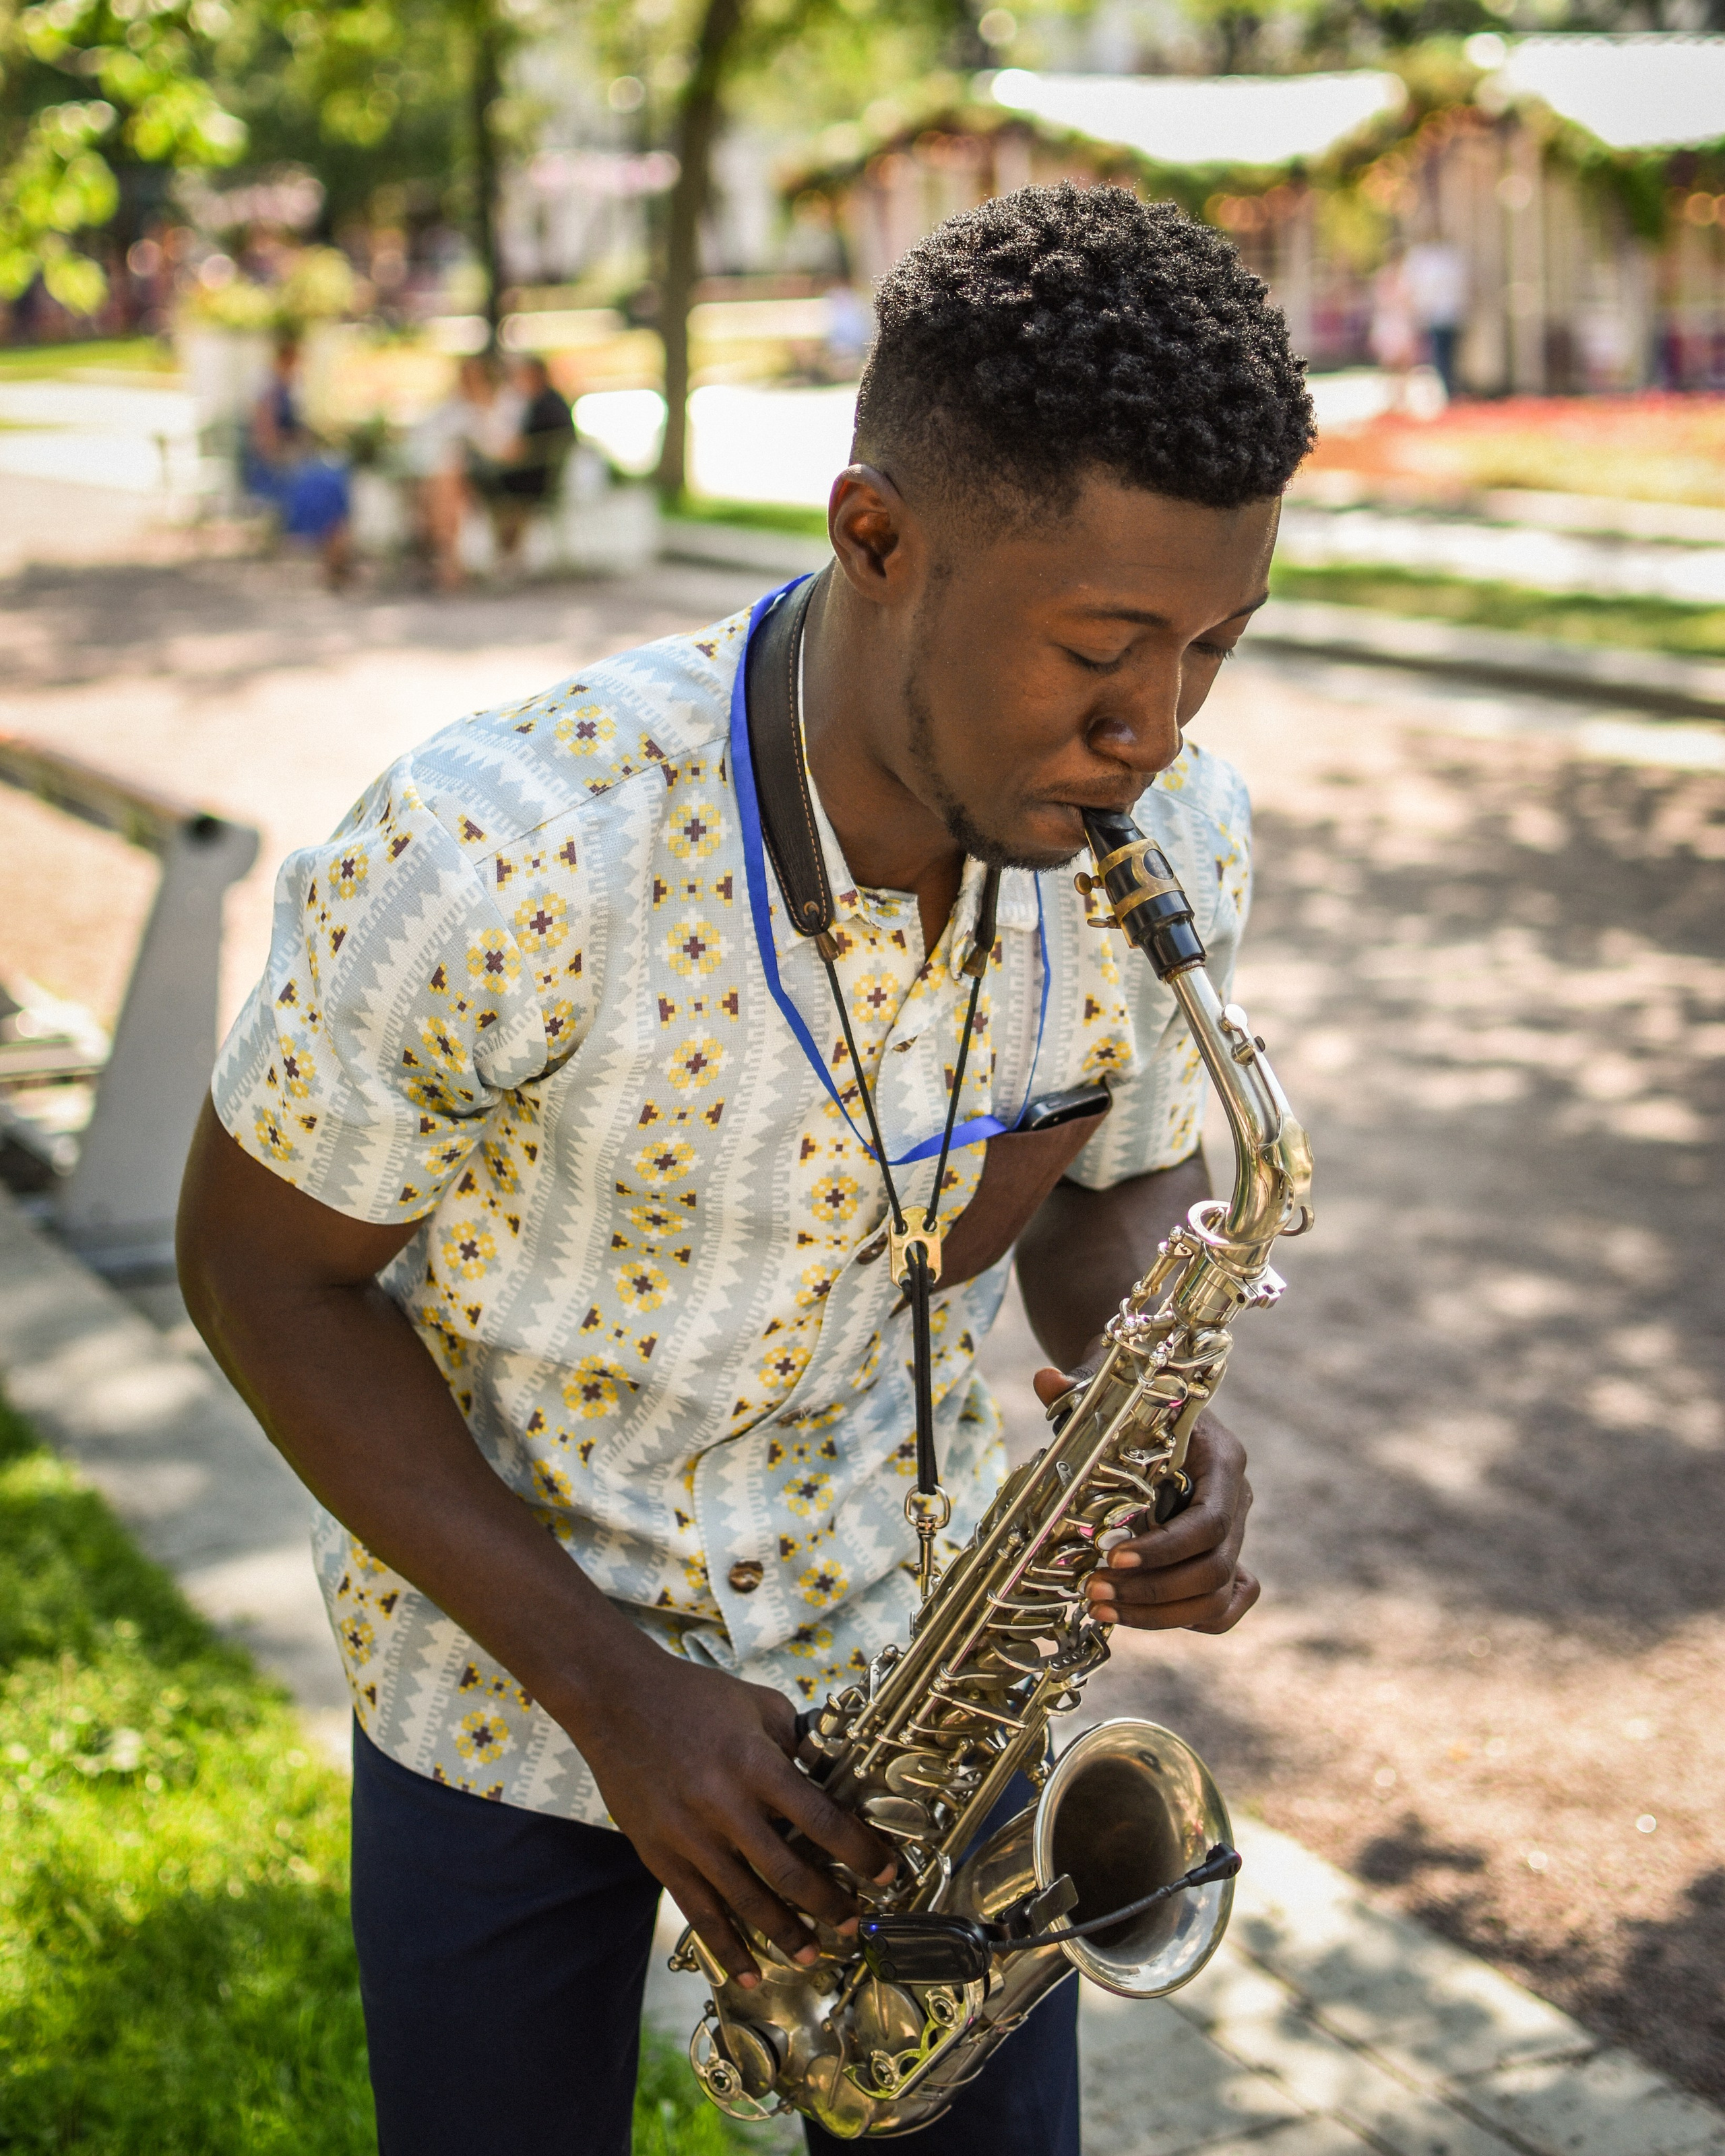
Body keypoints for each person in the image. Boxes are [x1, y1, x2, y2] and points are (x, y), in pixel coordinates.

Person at [177, 184, 1314, 2156]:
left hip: (910, 1656)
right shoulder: (504, 854)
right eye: (1101, 648)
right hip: (502, 1684)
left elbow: (1123, 1181)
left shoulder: (1169, 837)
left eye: (1213, 647)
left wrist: (1159, 1417)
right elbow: (258, 1269)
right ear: (873, 536)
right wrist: (611, 1690)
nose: (1153, 730)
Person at [243, 334, 353, 590]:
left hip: (293, 462)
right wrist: (294, 454)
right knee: (328, 483)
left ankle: (337, 557)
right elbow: (266, 443)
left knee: (336, 478)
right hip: (274, 470)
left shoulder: (286, 390)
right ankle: (334, 557)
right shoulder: (268, 391)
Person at [489, 354, 577, 566]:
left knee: (491, 487)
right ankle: (509, 554)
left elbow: (522, 448)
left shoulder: (543, 406)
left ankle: (507, 554)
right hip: (544, 476)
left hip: (534, 477)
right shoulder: (553, 402)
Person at [1404, 239, 1467, 398]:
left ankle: (1449, 389)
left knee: (1447, 355)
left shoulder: (1448, 259)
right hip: (1435, 315)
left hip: (1449, 315)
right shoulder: (1426, 259)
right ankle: (1447, 389)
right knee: (1440, 356)